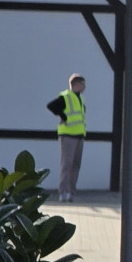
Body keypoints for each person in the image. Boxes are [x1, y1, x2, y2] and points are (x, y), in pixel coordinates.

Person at [46, 73, 87, 202]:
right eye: (82, 83)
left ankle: (71, 192)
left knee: (76, 164)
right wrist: (64, 117)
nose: (84, 86)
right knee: (67, 164)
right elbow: (51, 106)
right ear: (76, 84)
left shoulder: (81, 98)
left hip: (79, 134)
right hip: (68, 135)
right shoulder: (66, 96)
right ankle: (63, 192)